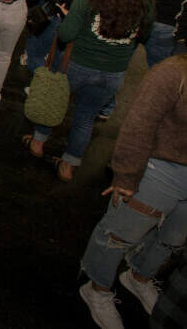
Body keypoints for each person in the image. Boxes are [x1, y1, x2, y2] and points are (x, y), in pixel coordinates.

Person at [76, 55, 187, 329]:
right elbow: (138, 124)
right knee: (120, 234)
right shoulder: (173, 73)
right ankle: (97, 288)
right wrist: (126, 175)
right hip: (161, 166)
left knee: (173, 238)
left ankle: (139, 278)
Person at [25, 0, 155, 181]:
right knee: (86, 118)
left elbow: (65, 34)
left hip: (78, 64)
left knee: (53, 100)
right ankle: (69, 165)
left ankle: (37, 143)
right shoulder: (146, 5)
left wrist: (69, 17)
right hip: (113, 73)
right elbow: (143, 37)